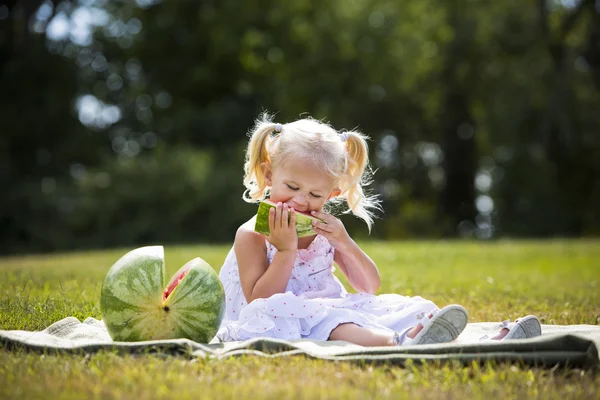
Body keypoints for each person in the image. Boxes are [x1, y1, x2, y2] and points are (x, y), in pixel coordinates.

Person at [214, 114, 542, 346]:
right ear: (269, 175)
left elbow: (368, 286)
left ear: (333, 194)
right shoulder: (252, 234)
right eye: (292, 187)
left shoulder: (326, 229)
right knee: (337, 324)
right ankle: (397, 342)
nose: (301, 201)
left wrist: (343, 242)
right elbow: (260, 301)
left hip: (329, 304)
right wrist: (285, 251)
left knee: (402, 307)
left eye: (315, 195)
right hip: (277, 315)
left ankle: (477, 339)